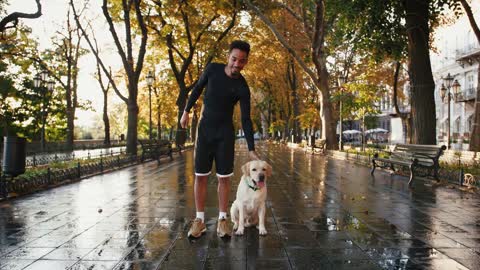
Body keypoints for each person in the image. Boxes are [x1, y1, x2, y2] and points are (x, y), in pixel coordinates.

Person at [180, 40, 259, 238]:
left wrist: (251, 148)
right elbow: (197, 88)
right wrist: (186, 111)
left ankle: (223, 220)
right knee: (201, 176)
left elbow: (246, 119)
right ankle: (200, 220)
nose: (236, 64)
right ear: (228, 57)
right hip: (205, 131)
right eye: (234, 59)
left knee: (224, 178)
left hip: (225, 134)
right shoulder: (213, 70)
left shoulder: (242, 86)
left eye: (241, 61)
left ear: (246, 62)